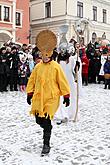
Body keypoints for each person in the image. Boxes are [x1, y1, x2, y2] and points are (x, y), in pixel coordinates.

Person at [26, 30, 70, 156]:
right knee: (38, 120)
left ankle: (46, 143)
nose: (43, 58)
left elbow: (62, 81)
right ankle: (46, 128)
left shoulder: (56, 66)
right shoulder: (38, 67)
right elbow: (32, 80)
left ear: (50, 55)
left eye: (46, 56)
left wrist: (66, 95)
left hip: (51, 97)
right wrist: (29, 93)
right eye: (42, 56)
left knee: (46, 120)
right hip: (39, 97)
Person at [55, 42, 82, 124]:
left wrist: (77, 66)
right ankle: (62, 114)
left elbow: (75, 71)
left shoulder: (71, 59)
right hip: (59, 81)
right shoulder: (57, 59)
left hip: (69, 81)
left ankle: (71, 114)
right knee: (60, 98)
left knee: (71, 97)